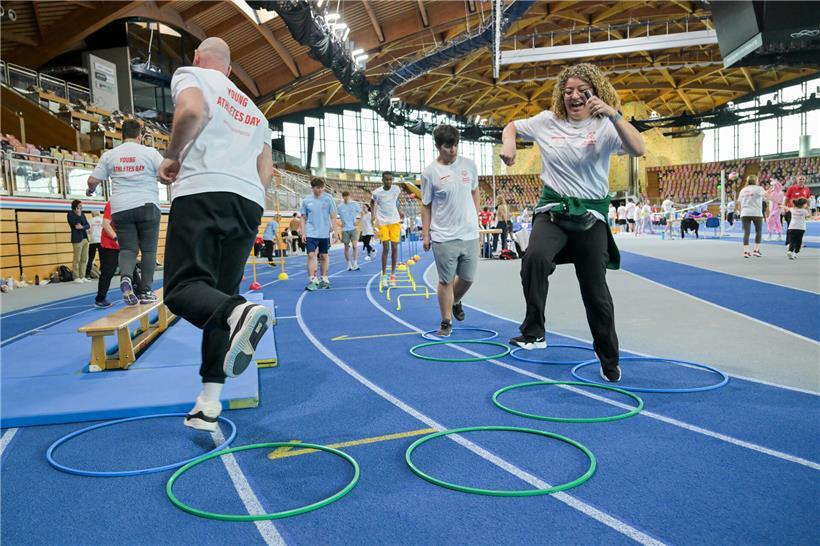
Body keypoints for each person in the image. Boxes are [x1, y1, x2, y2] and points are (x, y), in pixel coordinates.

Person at [499, 62, 646, 383]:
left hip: (590, 219)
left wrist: (613, 113)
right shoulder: (546, 121)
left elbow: (638, 148)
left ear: (596, 93)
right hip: (552, 212)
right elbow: (511, 125)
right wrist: (509, 144)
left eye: (582, 91)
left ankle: (609, 358)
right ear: (560, 95)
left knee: (596, 293)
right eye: (567, 91)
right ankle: (534, 330)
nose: (574, 96)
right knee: (534, 258)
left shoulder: (606, 126)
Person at [158, 37, 273, 432]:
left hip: (203, 190)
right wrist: (251, 202)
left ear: (197, 58)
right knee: (217, 299)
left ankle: (240, 311)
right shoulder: (256, 112)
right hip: (248, 201)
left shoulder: (191, 75)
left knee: (181, 289)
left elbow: (191, 110)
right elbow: (267, 172)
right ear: (230, 69)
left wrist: (172, 156)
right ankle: (208, 402)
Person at [87, 119, 163, 304]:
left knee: (128, 248)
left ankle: (126, 278)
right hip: (147, 205)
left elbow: (92, 181)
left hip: (120, 208)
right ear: (140, 136)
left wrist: (90, 191)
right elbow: (165, 174)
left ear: (122, 136)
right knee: (149, 250)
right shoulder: (150, 153)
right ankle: (145, 291)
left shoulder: (110, 155)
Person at [421, 124, 480, 337]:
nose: (453, 150)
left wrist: (477, 217)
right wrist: (426, 234)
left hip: (470, 233)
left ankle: (455, 301)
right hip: (444, 235)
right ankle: (446, 321)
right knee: (446, 280)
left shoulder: (470, 166)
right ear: (438, 146)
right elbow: (426, 205)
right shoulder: (429, 173)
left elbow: (475, 191)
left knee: (468, 278)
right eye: (448, 146)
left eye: (455, 145)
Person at [301, 177, 338, 290]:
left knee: (324, 255)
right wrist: (303, 233)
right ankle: (312, 279)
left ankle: (324, 278)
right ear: (312, 188)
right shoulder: (306, 200)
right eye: (318, 188)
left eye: (322, 188)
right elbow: (303, 217)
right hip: (311, 232)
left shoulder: (328, 198)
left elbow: (333, 216)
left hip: (324, 233)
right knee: (311, 255)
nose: (320, 190)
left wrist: (336, 231)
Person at [371, 171, 402, 286]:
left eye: (390, 179)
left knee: (394, 247)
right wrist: (373, 215)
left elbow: (396, 201)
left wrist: (400, 211)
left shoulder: (396, 189)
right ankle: (384, 275)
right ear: (382, 180)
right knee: (386, 247)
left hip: (394, 221)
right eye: (387, 179)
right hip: (383, 222)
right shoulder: (377, 192)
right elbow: (372, 202)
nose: (389, 181)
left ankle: (393, 275)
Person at [95, 202, 119, 308]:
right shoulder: (112, 204)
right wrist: (116, 238)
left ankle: (140, 292)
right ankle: (100, 298)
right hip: (110, 243)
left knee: (131, 269)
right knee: (108, 271)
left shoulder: (130, 203)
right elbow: (105, 224)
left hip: (123, 243)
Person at [738, 175, 765, 258]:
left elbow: (739, 202)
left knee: (746, 233)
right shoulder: (759, 188)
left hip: (745, 213)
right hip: (756, 213)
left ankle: (746, 252)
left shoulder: (743, 190)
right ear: (756, 181)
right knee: (759, 231)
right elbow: (766, 196)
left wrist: (740, 212)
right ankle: (756, 251)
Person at [66, 199, 90, 283]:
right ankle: (76, 277)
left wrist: (82, 227)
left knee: (84, 258)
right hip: (77, 239)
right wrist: (78, 216)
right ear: (75, 206)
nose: (81, 207)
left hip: (85, 239)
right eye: (80, 206)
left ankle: (82, 276)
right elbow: (75, 224)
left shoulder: (83, 214)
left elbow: (87, 225)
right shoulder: (70, 214)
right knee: (77, 258)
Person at [337, 191, 362, 271]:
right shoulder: (340, 206)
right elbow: (333, 216)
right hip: (345, 230)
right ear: (342, 197)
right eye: (344, 196)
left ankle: (355, 263)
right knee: (346, 248)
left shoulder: (354, 204)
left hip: (353, 229)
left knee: (355, 246)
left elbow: (362, 213)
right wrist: (339, 224)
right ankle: (349, 264)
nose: (346, 198)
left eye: (347, 196)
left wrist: (358, 222)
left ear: (349, 196)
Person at [784, 175, 811, 246]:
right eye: (800, 179)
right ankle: (789, 242)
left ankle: (799, 242)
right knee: (790, 227)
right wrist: (784, 208)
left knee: (800, 228)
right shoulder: (791, 188)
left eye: (803, 179)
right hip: (791, 211)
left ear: (805, 180)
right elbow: (786, 199)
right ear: (797, 180)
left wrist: (808, 208)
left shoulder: (807, 189)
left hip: (802, 212)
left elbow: (808, 200)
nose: (801, 180)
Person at [86, 210, 103, 279]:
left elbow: (88, 231)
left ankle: (87, 274)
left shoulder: (89, 220)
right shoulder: (102, 220)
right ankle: (102, 273)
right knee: (102, 258)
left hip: (93, 241)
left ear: (92, 214)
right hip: (101, 240)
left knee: (90, 258)